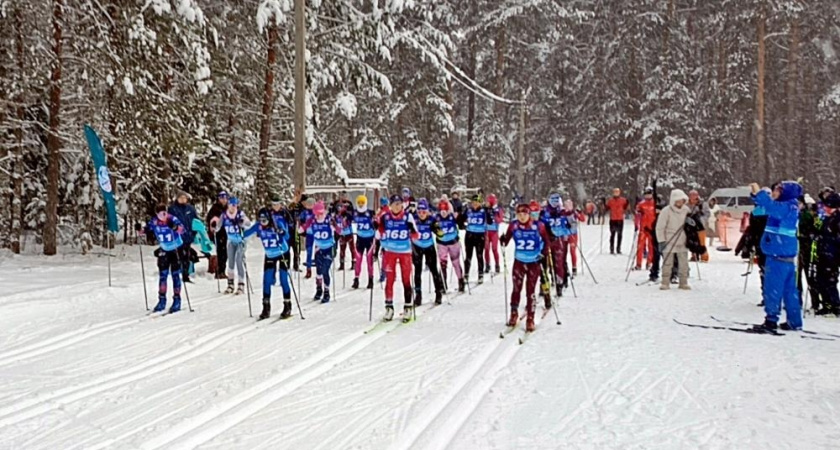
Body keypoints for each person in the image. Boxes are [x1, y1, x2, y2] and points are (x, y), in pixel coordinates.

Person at [750, 181, 803, 332]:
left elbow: (770, 206)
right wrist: (756, 196)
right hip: (785, 257)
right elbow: (761, 210)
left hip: (777, 256)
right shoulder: (790, 206)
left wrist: (758, 192)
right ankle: (794, 321)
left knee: (772, 289)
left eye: (778, 191)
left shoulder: (785, 207)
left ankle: (771, 321)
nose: (774, 193)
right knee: (790, 292)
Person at [501, 203, 552, 332]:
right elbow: (506, 241)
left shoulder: (537, 225)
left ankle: (530, 318)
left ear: (529, 214)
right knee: (516, 289)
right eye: (519, 214)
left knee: (530, 291)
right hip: (519, 261)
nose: (522, 217)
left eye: (524, 214)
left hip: (533, 262)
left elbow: (547, 241)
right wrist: (503, 240)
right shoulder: (514, 225)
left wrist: (543, 253)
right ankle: (513, 314)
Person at [244, 209, 292, 320]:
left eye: (265, 220)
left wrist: (281, 232)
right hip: (270, 255)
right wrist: (239, 232)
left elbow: (287, 236)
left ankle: (287, 305)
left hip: (282, 252)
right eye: (261, 220)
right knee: (267, 280)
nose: (263, 223)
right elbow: (246, 233)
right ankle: (266, 307)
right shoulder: (258, 226)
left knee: (283, 279)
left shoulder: (276, 223)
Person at [377, 194, 418, 321]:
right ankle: (389, 307)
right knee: (389, 280)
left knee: (406, 279)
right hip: (390, 252)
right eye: (395, 204)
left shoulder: (407, 216)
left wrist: (412, 230)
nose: (397, 206)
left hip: (405, 252)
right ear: (390, 205)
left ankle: (407, 307)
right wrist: (377, 227)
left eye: (399, 204)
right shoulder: (385, 217)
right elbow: (378, 235)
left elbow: (417, 236)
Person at [141, 204, 186, 313]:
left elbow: (182, 230)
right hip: (164, 249)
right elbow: (146, 229)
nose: (164, 215)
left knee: (175, 274)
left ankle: (177, 300)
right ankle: (161, 300)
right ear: (157, 214)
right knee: (163, 275)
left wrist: (175, 227)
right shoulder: (154, 221)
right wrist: (140, 229)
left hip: (176, 248)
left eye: (165, 212)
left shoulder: (172, 219)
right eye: (161, 213)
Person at [300, 201, 339, 303]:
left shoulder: (328, 220)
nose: (319, 216)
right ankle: (319, 289)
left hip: (329, 248)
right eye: (317, 213)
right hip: (318, 248)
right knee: (318, 270)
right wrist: (301, 227)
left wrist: (335, 226)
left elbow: (340, 230)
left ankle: (326, 292)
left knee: (325, 270)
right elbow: (301, 229)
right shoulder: (312, 220)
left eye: (321, 213)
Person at [213, 197, 251, 295]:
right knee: (230, 262)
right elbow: (218, 227)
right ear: (228, 205)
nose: (233, 207)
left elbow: (248, 224)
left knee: (239, 260)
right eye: (231, 205)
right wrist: (214, 226)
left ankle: (241, 284)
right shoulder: (224, 215)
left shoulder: (240, 214)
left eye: (234, 205)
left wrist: (242, 223)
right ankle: (230, 284)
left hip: (241, 241)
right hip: (231, 241)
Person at [412, 199, 445, 305]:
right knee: (417, 271)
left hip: (429, 247)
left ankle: (438, 292)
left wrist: (438, 230)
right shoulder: (414, 219)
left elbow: (439, 232)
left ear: (427, 211)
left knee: (434, 270)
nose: (421, 214)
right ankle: (418, 295)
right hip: (417, 247)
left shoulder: (431, 219)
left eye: (424, 212)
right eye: (419, 212)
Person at [656, 189, 690, 291]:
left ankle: (683, 282)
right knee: (667, 263)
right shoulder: (666, 211)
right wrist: (661, 240)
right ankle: (665, 282)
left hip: (683, 240)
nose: (680, 202)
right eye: (678, 200)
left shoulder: (687, 210)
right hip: (669, 240)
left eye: (682, 200)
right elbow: (660, 227)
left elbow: (691, 227)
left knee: (684, 264)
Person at [814, 193, 840, 316]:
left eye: (828, 206)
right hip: (823, 252)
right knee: (820, 280)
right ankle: (827, 304)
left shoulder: (837, 219)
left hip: (833, 255)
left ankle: (835, 305)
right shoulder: (826, 218)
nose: (825, 209)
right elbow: (820, 231)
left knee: (830, 281)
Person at [458, 194, 490, 284]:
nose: (475, 204)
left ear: (480, 203)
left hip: (480, 236)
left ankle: (480, 274)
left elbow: (490, 221)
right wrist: (461, 215)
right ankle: (466, 274)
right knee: (468, 256)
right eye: (473, 202)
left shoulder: (483, 211)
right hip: (469, 235)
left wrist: (488, 211)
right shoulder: (468, 211)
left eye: (477, 202)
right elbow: (460, 221)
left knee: (479, 255)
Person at [541, 193, 569, 297]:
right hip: (547, 239)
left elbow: (567, 223)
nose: (555, 203)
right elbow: (540, 224)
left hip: (559, 239)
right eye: (553, 200)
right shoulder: (544, 211)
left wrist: (567, 228)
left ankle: (559, 284)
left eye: (557, 201)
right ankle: (544, 284)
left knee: (559, 263)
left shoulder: (562, 211)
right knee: (544, 262)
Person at [435, 199, 465, 293]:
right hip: (442, 244)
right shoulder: (436, 218)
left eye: (445, 210)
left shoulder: (452, 216)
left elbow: (461, 222)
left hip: (453, 243)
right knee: (443, 264)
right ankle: (443, 285)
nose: (443, 213)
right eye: (441, 210)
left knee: (455, 263)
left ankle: (461, 281)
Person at [168, 190, 198, 282]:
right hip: (177, 237)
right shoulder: (172, 209)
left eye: (184, 198)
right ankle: (176, 275)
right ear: (177, 199)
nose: (183, 199)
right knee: (177, 257)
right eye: (181, 198)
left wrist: (194, 232)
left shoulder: (191, 209)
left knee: (186, 257)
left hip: (188, 236)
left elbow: (196, 221)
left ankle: (186, 275)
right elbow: (168, 220)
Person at [798, 195, 821, 313]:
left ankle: (815, 302)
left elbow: (816, 228)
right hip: (796, 249)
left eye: (799, 203)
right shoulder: (792, 214)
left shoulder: (809, 214)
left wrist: (809, 235)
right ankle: (797, 302)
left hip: (807, 248)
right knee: (796, 277)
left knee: (811, 276)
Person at [352, 195, 376, 290]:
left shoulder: (370, 213)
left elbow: (376, 223)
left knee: (369, 261)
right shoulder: (355, 213)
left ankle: (371, 279)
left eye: (362, 202)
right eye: (359, 203)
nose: (361, 205)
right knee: (358, 260)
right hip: (360, 239)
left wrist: (376, 224)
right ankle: (356, 279)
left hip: (369, 239)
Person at [206, 191, 229, 280]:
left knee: (225, 253)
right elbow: (210, 219)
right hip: (218, 234)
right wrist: (213, 224)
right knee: (220, 253)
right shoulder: (215, 208)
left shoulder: (228, 208)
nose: (223, 200)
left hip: (227, 233)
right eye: (221, 198)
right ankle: (219, 271)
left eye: (225, 198)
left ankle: (222, 270)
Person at [634, 187, 656, 271]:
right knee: (640, 246)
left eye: (649, 194)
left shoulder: (655, 203)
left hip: (651, 228)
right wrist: (636, 224)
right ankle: (638, 264)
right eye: (646, 194)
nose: (647, 196)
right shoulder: (641, 204)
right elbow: (636, 213)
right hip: (643, 228)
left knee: (651, 246)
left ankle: (649, 263)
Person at [563, 199, 585, 276]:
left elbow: (582, 219)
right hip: (565, 235)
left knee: (572, 251)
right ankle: (564, 268)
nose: (568, 207)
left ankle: (574, 267)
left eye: (569, 206)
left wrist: (580, 213)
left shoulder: (574, 213)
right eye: (566, 206)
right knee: (564, 252)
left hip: (573, 234)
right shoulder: (563, 213)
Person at [687, 190, 710, 262]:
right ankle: (694, 255)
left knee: (701, 242)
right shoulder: (686, 204)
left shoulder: (702, 204)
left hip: (700, 227)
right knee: (691, 241)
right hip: (690, 226)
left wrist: (700, 219)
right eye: (691, 196)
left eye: (695, 196)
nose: (693, 198)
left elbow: (707, 214)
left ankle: (704, 256)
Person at [484, 194, 504, 274]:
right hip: (486, 231)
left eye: (488, 201)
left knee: (494, 249)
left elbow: (500, 219)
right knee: (486, 249)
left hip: (494, 231)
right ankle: (487, 265)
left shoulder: (497, 209)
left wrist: (494, 217)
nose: (487, 203)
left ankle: (497, 264)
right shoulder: (485, 209)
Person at [605, 188, 628, 254]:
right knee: (612, 234)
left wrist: (628, 203)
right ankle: (611, 248)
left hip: (620, 219)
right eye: (615, 192)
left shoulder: (623, 200)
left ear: (619, 193)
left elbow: (626, 207)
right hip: (613, 219)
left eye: (617, 192)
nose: (616, 193)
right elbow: (606, 208)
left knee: (620, 235)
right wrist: (604, 203)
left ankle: (618, 248)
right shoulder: (610, 201)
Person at [298, 197, 316, 279]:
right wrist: (301, 227)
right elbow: (300, 220)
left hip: (317, 235)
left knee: (318, 252)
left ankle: (320, 266)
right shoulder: (304, 212)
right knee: (309, 252)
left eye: (311, 204)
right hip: (309, 234)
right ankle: (308, 269)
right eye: (308, 204)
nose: (309, 206)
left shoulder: (316, 212)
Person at [335, 201, 355, 271]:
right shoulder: (337, 216)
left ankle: (354, 263)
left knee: (352, 249)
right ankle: (342, 264)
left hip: (349, 234)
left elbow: (352, 217)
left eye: (342, 207)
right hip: (342, 234)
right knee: (342, 249)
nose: (340, 209)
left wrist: (348, 214)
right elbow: (335, 224)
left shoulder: (347, 214)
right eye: (339, 208)